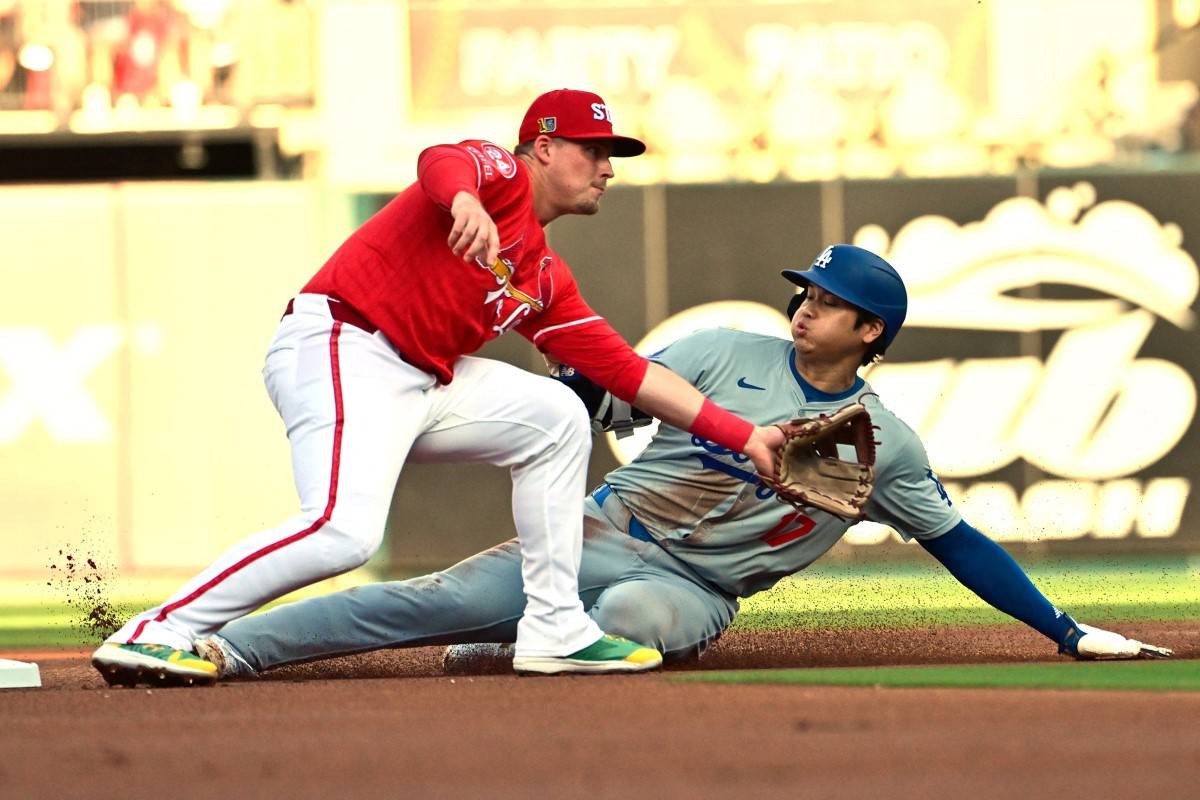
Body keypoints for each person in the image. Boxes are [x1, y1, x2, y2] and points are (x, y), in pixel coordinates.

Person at [187, 244, 1172, 681]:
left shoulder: (881, 442)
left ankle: (518, 647)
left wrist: (1063, 627)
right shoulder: (724, 352)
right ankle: (225, 646)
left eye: (826, 301)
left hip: (693, 588)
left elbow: (960, 543)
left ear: (871, 329)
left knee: (633, 624)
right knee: (421, 598)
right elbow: (594, 399)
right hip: (601, 528)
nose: (804, 306)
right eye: (804, 292)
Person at [91, 88, 786, 687]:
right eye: (592, 149)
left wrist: (746, 434)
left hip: (417, 379)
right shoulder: (498, 176)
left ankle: (553, 630)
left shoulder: (543, 277)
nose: (606, 168)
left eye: (612, 156)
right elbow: (440, 160)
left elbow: (630, 374)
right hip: (342, 342)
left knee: (556, 416)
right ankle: (156, 628)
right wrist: (464, 200)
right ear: (542, 147)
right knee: (342, 533)